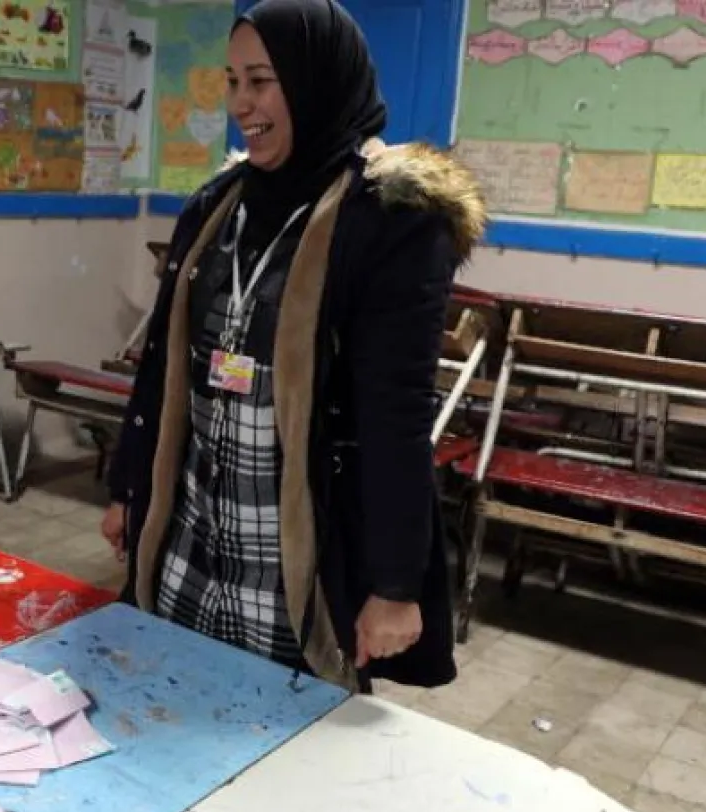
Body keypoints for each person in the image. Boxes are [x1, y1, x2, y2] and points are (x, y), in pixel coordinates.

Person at [101, 0, 485, 691]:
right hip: (194, 530)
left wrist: (396, 584)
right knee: (174, 704)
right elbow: (162, 365)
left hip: (301, 549)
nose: (242, 104)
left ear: (316, 79)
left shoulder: (391, 221)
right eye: (233, 82)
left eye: (262, 81)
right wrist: (128, 488)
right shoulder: (217, 203)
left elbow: (395, 411)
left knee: (290, 742)